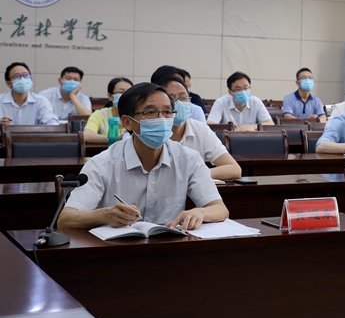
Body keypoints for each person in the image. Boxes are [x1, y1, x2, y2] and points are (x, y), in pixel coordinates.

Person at [58, 82, 229, 232]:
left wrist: (201, 212)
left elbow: (220, 209)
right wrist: (105, 215)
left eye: (167, 112)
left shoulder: (188, 159)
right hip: (116, 250)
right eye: (150, 112)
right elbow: (65, 219)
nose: (161, 119)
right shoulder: (102, 164)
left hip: (169, 247)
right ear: (127, 122)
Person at [156, 76, 242, 180]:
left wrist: (194, 175)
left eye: (183, 97)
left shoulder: (200, 129)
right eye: (172, 98)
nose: (179, 103)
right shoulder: (152, 131)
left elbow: (234, 169)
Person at [207, 71, 274, 131]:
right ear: (230, 92)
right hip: (226, 139)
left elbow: (270, 123)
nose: (243, 92)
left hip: (251, 139)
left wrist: (253, 127)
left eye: (245, 88)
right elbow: (210, 124)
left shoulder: (256, 102)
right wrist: (227, 127)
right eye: (238, 89)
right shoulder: (221, 102)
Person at [84, 77, 133, 144]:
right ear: (110, 96)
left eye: (129, 92)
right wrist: (116, 139)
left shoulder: (138, 115)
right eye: (121, 92)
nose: (125, 96)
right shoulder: (100, 114)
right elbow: (86, 136)